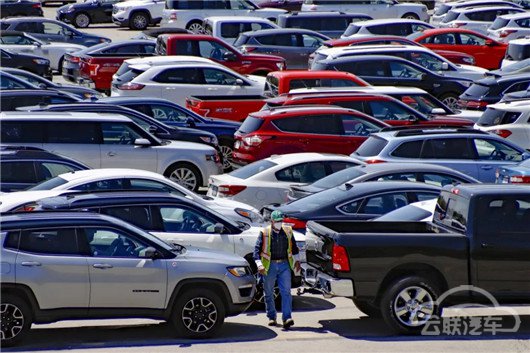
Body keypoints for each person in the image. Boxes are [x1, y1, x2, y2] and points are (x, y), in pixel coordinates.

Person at [253, 210, 301, 329]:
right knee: (268, 293)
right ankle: (271, 317)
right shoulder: (265, 232)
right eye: (277, 221)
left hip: (284, 264)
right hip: (270, 266)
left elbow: (294, 248)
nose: (280, 223)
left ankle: (287, 318)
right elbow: (256, 251)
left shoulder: (288, 231)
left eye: (281, 221)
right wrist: (259, 264)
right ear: (272, 221)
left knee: (286, 292)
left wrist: (297, 261)